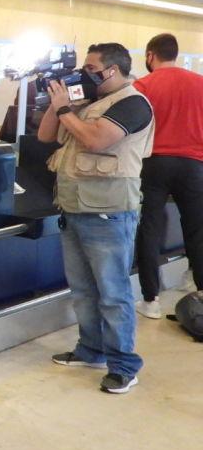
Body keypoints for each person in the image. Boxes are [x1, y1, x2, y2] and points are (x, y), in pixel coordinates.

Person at [39, 43, 154, 394]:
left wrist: (65, 111)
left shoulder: (133, 103)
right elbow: (46, 136)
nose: (84, 73)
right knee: (84, 290)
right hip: (74, 209)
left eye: (91, 68)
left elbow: (96, 140)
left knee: (112, 292)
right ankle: (91, 349)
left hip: (109, 214)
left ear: (113, 71)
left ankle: (123, 365)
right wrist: (60, 102)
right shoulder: (85, 104)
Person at [133, 34, 203, 318]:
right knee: (198, 230)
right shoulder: (200, 83)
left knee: (149, 228)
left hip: (154, 163)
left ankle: (151, 300)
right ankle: (200, 293)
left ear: (150, 55)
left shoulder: (142, 85)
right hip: (194, 164)